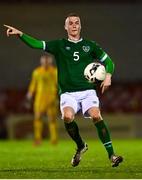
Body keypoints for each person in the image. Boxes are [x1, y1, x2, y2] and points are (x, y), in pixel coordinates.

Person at [4, 13, 123, 167]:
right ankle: (81, 145)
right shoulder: (59, 45)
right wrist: (20, 34)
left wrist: (108, 76)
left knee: (96, 115)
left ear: (80, 26)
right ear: (66, 27)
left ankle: (112, 155)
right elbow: (37, 44)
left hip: (88, 91)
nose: (74, 25)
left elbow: (109, 63)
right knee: (67, 117)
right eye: (71, 23)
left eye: (77, 23)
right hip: (68, 93)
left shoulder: (90, 45)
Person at [25, 54, 58, 145]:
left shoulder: (55, 71)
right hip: (40, 98)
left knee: (52, 119)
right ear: (41, 61)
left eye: (47, 60)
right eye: (44, 60)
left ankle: (54, 139)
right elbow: (33, 84)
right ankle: (38, 139)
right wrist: (30, 93)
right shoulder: (37, 72)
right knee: (38, 117)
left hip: (51, 97)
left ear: (50, 61)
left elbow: (58, 84)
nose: (46, 62)